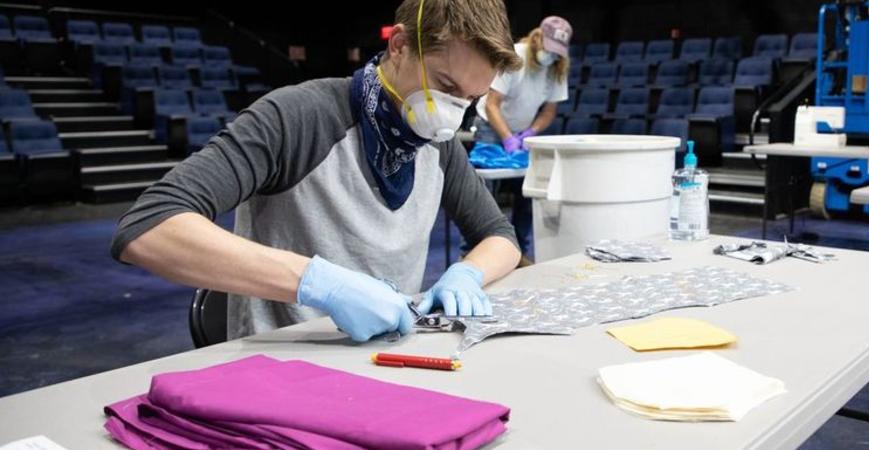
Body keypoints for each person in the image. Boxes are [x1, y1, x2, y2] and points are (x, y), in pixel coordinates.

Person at [110, 0, 523, 343]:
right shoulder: (300, 116)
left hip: (388, 360)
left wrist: (468, 273)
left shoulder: (438, 143)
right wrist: (319, 283)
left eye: (471, 98)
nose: (453, 114)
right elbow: (149, 228)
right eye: (445, 86)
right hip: (282, 367)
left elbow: (500, 237)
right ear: (398, 45)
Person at [472, 16, 573, 254]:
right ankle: (474, 249)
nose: (551, 56)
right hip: (490, 126)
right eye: (549, 49)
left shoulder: (557, 67)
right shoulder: (515, 57)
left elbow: (549, 111)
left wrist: (530, 133)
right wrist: (507, 137)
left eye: (557, 52)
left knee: (527, 193)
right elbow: (492, 104)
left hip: (522, 132)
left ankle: (518, 251)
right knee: (484, 196)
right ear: (538, 39)